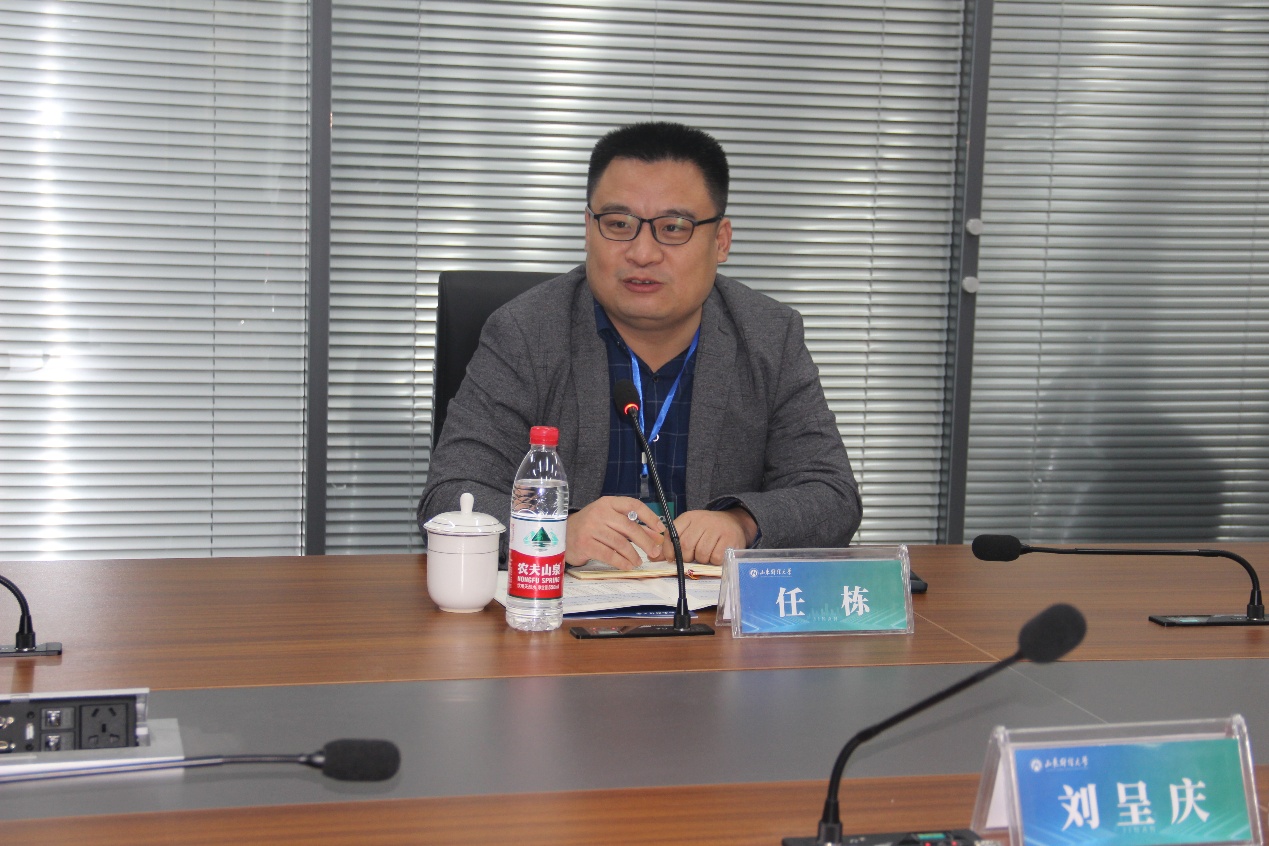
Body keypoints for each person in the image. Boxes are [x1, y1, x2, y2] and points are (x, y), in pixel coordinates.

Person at [418, 121, 860, 568]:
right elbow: (452, 494)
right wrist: (556, 529)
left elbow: (832, 495)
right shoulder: (526, 333)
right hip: (562, 606)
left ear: (721, 240)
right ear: (588, 229)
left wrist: (743, 522)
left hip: (710, 608)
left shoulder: (769, 336)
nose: (642, 253)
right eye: (618, 224)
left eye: (674, 227)